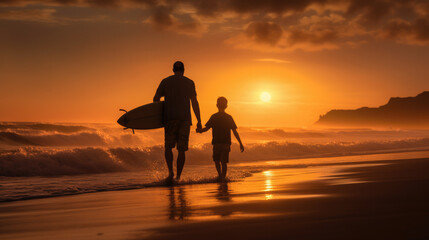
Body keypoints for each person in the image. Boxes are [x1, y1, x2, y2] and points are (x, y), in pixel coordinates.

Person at [153, 61, 202, 181]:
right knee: (182, 149)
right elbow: (194, 102)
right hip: (185, 119)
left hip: (169, 118)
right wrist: (199, 120)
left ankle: (170, 173)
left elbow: (155, 99)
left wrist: (160, 112)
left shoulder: (165, 81)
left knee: (168, 147)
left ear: (173, 69)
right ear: (184, 70)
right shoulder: (189, 82)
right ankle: (179, 176)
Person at [197, 97, 244, 180]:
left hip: (217, 143)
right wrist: (240, 143)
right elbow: (234, 131)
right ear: (226, 106)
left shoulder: (214, 116)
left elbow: (206, 128)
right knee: (223, 162)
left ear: (217, 105)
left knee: (217, 160)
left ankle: (220, 176)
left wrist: (200, 131)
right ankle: (222, 177)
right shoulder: (229, 117)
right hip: (225, 143)